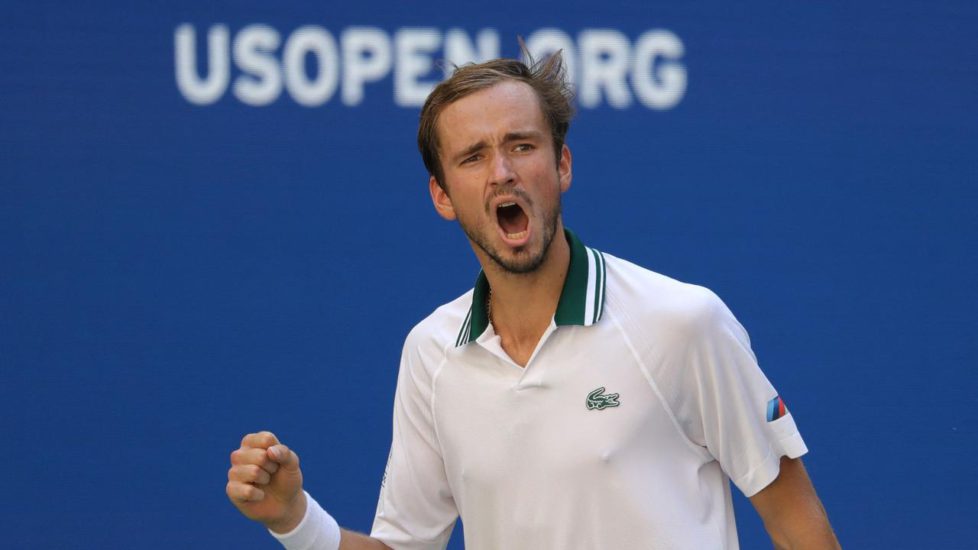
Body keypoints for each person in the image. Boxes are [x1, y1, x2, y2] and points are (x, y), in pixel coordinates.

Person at [226, 51, 840, 549]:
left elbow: (799, 527)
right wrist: (295, 519)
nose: (502, 172)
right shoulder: (430, 354)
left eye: (521, 145)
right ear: (442, 196)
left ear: (562, 164)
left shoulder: (683, 323)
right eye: (474, 157)